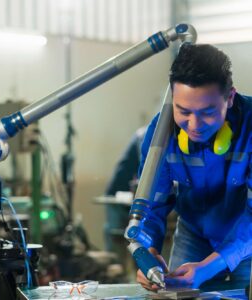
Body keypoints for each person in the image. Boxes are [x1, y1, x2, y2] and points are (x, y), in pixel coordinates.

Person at [136, 44, 252, 291]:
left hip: (246, 237)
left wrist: (211, 265)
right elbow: (150, 205)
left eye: (208, 112)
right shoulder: (161, 134)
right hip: (193, 233)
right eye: (183, 111)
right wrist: (147, 253)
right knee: (179, 294)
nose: (194, 124)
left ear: (230, 98)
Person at [104, 127, 146, 271]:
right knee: (123, 240)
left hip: (131, 197)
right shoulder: (145, 136)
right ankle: (117, 272)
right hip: (118, 197)